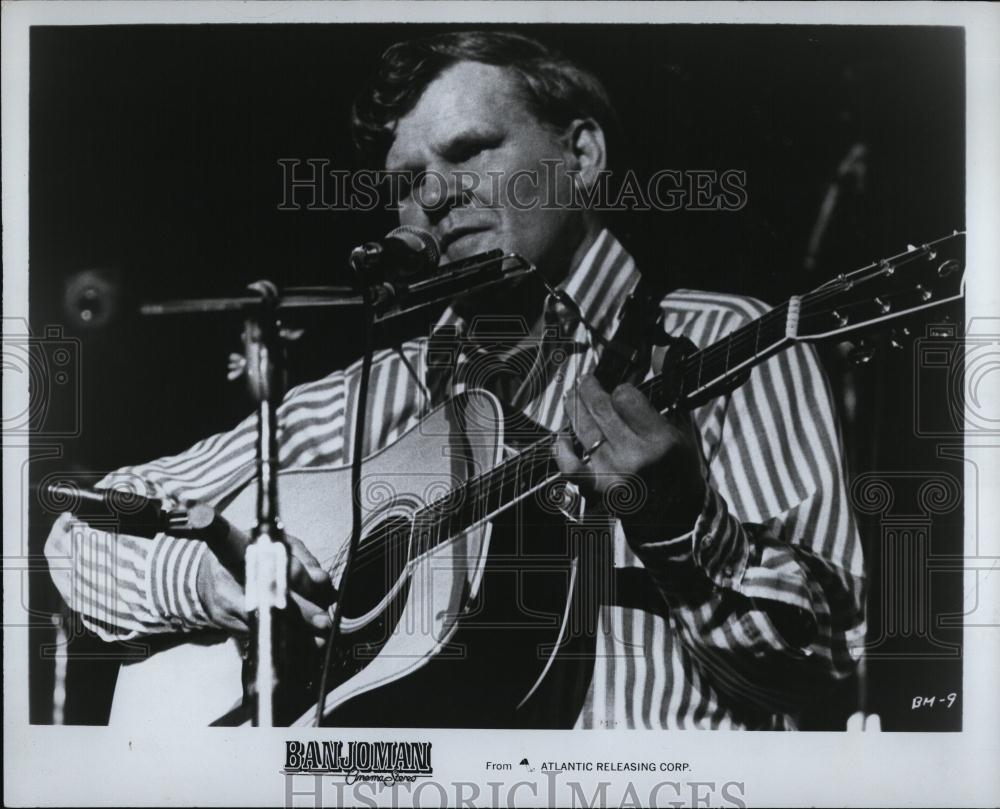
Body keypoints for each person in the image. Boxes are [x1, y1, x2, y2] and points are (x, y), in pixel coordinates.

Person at [45, 30, 865, 729]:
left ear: (580, 157)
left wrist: (685, 529)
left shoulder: (721, 340)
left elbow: (827, 669)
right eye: (406, 183)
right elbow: (81, 532)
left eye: (470, 151)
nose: (434, 196)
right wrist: (210, 577)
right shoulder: (373, 395)